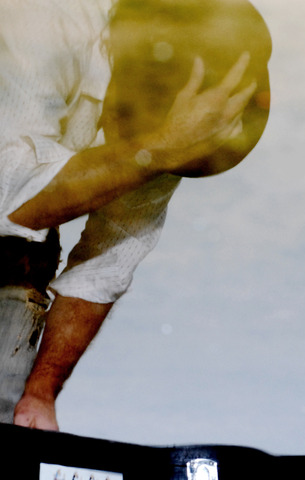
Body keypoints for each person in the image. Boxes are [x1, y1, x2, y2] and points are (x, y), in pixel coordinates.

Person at [0, 0, 270, 429]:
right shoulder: (47, 19)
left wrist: (40, 393)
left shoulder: (187, 120)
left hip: (17, 265)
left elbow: (106, 264)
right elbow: (11, 197)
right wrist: (157, 150)